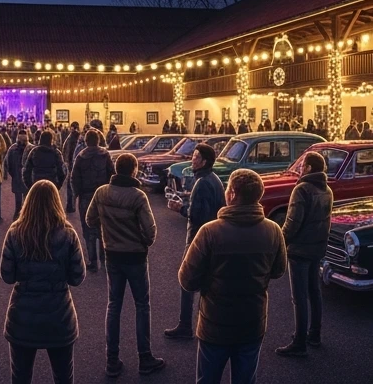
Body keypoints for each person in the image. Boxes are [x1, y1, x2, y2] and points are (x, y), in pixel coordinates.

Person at [178, 169, 287, 384]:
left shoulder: (210, 232)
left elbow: (187, 279)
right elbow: (278, 271)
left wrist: (208, 283)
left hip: (215, 323)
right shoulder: (273, 230)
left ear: (233, 195)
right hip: (252, 321)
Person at [85, 153, 164, 376]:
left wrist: (107, 233)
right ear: (133, 171)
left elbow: (90, 219)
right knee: (142, 305)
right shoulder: (138, 196)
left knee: (114, 305)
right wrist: (142, 241)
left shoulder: (102, 193)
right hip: (135, 256)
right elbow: (150, 231)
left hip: (112, 254)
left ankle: (112, 360)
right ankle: (145, 357)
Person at [0, 180, 86, 384]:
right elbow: (77, 277)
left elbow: (7, 276)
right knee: (63, 376)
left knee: (20, 377)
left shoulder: (15, 232)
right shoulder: (68, 234)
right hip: (59, 316)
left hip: (23, 317)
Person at [166, 142, 225, 341]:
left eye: (196, 157)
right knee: (207, 283)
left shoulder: (203, 183)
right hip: (212, 239)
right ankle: (206, 323)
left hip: (198, 240)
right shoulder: (213, 179)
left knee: (186, 280)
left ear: (204, 161)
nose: (192, 159)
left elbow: (200, 216)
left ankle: (185, 325)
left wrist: (180, 208)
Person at [276, 152, 333, 357]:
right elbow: (326, 221)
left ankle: (299, 341)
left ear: (308, 168)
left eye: (302, 166)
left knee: (298, 297)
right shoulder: (327, 189)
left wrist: (281, 241)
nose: (300, 169)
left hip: (299, 249)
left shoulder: (301, 190)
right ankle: (314, 334)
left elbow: (292, 222)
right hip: (317, 248)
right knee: (314, 292)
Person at [70, 128, 114, 271]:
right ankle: (104, 257)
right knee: (103, 227)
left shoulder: (81, 156)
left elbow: (74, 178)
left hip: (86, 196)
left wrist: (76, 194)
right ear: (98, 140)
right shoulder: (105, 155)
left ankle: (93, 260)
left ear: (86, 141)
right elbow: (112, 174)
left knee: (88, 229)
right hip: (103, 195)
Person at [5, 132, 31, 217]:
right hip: (28, 178)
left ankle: (17, 216)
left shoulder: (12, 149)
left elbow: (8, 164)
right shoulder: (31, 149)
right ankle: (27, 216)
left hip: (17, 177)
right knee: (28, 199)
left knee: (18, 200)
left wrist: (13, 174)